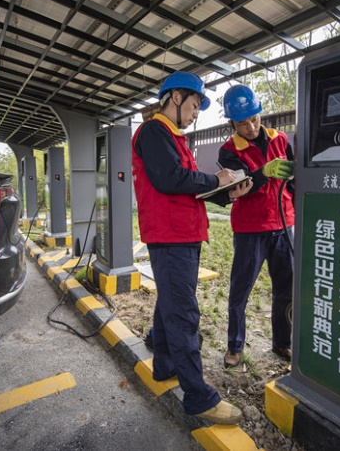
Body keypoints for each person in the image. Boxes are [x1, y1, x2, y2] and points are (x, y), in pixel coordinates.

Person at [132, 71, 251, 425]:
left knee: (170, 304)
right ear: (176, 97)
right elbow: (169, 178)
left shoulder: (173, 137)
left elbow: (189, 188)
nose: (197, 112)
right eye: (196, 104)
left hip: (181, 234)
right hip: (170, 237)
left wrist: (227, 192)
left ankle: (165, 365)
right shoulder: (154, 131)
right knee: (184, 314)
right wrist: (216, 178)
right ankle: (199, 397)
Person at [217, 84, 296, 369]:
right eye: (243, 123)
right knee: (240, 291)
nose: (251, 127)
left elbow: (294, 180)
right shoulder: (228, 151)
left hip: (284, 225)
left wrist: (296, 199)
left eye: (254, 119)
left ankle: (283, 342)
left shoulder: (281, 139)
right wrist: (263, 172)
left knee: (286, 288)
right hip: (250, 229)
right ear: (232, 123)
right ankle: (235, 346)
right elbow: (241, 186)